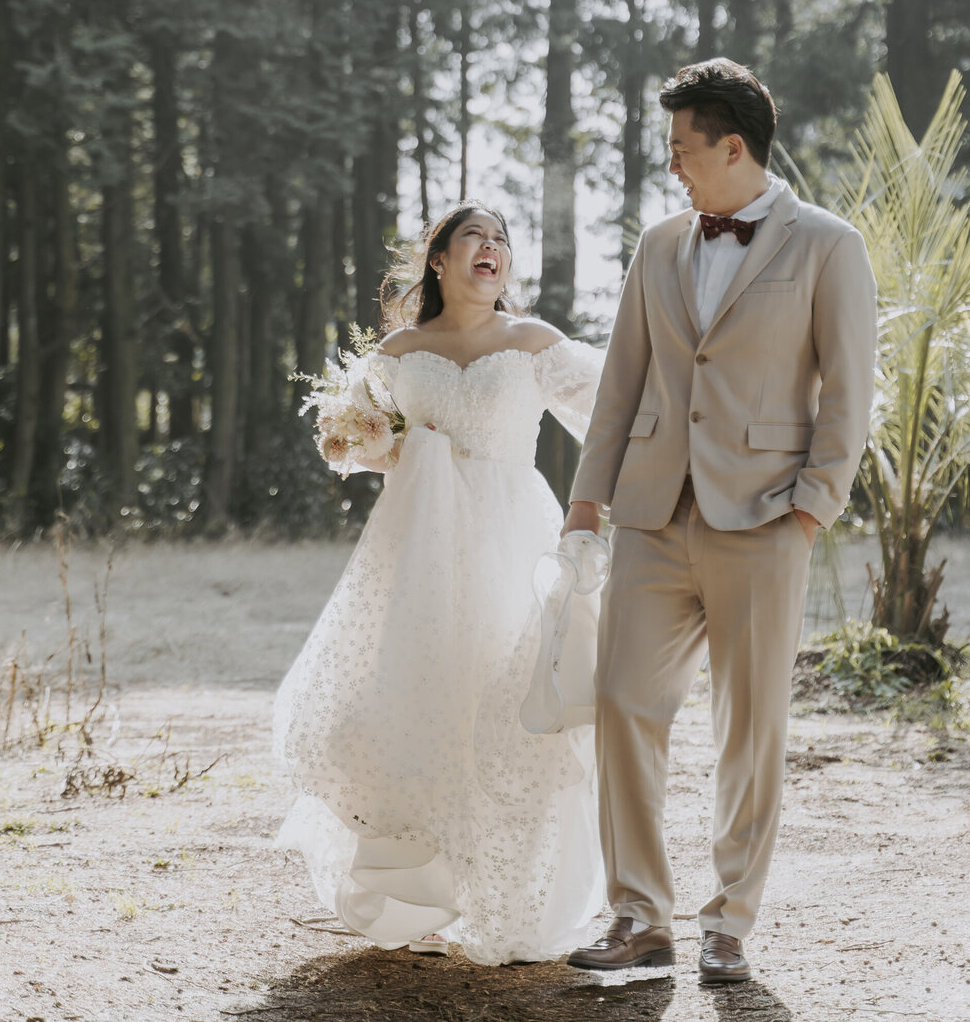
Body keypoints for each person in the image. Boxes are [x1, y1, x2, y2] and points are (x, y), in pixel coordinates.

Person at [564, 59, 877, 986]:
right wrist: (588, 499)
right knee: (621, 700)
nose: (673, 167)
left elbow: (849, 393)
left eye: (682, 149)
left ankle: (729, 921)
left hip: (768, 519)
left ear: (731, 145)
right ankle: (640, 914)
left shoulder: (829, 244)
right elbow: (621, 383)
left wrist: (812, 509)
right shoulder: (659, 245)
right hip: (653, 513)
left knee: (751, 727)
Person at [274, 202, 608, 965]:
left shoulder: (535, 344)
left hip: (512, 536)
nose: (491, 248)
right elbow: (357, 440)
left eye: (501, 239)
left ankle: (512, 897)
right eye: (474, 237)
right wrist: (366, 445)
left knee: (510, 709)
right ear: (439, 259)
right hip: (417, 550)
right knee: (415, 706)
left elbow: (616, 415)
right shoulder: (396, 353)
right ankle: (428, 888)